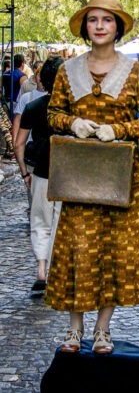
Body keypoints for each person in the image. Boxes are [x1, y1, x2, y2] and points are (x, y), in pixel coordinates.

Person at [44, 0, 139, 354]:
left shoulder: (138, 72)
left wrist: (122, 129)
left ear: (117, 27)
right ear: (85, 27)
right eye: (93, 20)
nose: (99, 25)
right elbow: (52, 114)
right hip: (80, 175)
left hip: (122, 176)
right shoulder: (67, 71)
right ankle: (74, 328)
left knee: (115, 249)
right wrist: (72, 122)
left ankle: (103, 329)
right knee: (79, 249)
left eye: (107, 20)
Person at [14, 57, 64, 291]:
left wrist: (25, 173)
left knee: (40, 222)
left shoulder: (33, 107)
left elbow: (18, 143)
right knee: (60, 222)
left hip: (41, 170)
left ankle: (42, 271)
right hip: (69, 174)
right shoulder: (74, 108)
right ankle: (58, 269)